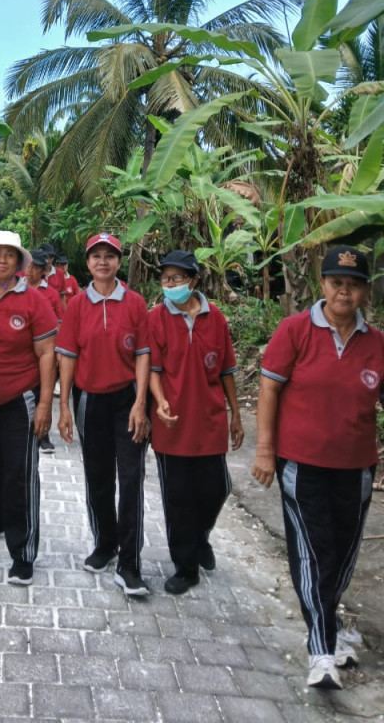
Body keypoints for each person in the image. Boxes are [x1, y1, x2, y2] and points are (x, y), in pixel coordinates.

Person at [252, 245, 384, 691]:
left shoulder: (377, 344)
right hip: (302, 465)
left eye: (354, 284)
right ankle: (322, 650)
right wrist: (265, 451)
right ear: (322, 285)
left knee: (343, 556)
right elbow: (268, 393)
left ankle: (331, 621)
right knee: (313, 552)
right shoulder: (295, 330)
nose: (344, 290)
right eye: (336, 282)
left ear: (365, 290)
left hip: (357, 468)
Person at [56, 232, 151, 596]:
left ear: (118, 261)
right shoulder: (78, 305)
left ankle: (130, 563)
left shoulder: (136, 303)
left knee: (130, 481)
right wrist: (64, 405)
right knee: (98, 479)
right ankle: (105, 543)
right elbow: (68, 355)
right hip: (90, 401)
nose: (102, 262)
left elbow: (143, 353)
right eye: (96, 255)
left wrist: (141, 403)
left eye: (109, 255)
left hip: (126, 400)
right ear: (88, 262)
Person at [148, 250, 242, 596]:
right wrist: (159, 402)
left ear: (194, 280)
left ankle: (200, 536)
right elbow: (154, 371)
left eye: (177, 278)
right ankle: (185, 566)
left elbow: (227, 370)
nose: (170, 285)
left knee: (218, 487)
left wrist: (237, 415)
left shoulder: (215, 318)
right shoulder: (155, 318)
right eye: (166, 278)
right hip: (171, 424)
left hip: (210, 420)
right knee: (178, 498)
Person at [0, 230, 58, 585]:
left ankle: (23, 551)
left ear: (19, 263)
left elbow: (47, 353)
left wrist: (46, 404)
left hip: (19, 399)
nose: (2, 260)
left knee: (20, 475)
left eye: (9, 255)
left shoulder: (34, 301)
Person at [26, 249, 64, 455]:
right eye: (28, 266)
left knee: (44, 392)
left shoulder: (50, 294)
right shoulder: (18, 289)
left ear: (43, 271)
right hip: (24, 353)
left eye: (35, 267)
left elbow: (59, 320)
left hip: (44, 351)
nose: (30, 271)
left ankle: (44, 435)